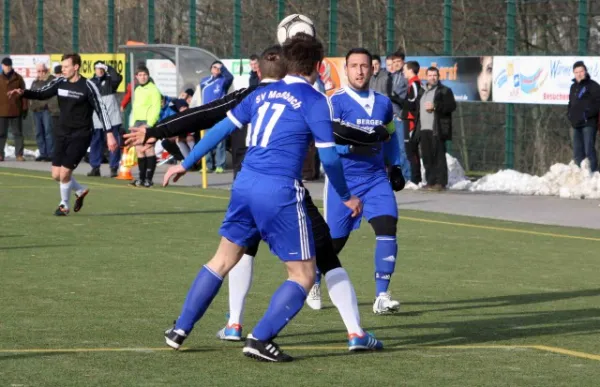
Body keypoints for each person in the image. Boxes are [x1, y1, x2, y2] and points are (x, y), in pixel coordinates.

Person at [154, 45, 386, 353]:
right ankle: (260, 337)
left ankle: (180, 329)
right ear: (318, 65)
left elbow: (219, 129)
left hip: (244, 184)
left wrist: (184, 164)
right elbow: (329, 159)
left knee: (222, 260)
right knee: (303, 275)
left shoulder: (259, 94)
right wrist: (346, 195)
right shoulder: (315, 101)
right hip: (279, 191)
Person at [310, 48, 404, 314]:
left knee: (388, 226)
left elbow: (391, 137)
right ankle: (314, 280)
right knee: (335, 243)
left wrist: (395, 165)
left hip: (375, 179)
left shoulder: (383, 103)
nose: (360, 71)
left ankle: (382, 296)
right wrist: (352, 148)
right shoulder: (334, 101)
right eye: (354, 66)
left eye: (365, 66)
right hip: (344, 181)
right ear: (346, 69)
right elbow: (326, 144)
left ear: (373, 69)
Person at [7, 53, 116, 215]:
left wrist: (109, 133)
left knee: (65, 173)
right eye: (62, 66)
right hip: (62, 132)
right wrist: (23, 93)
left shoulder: (88, 86)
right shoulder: (59, 82)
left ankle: (64, 205)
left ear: (76, 67)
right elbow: (41, 93)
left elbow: (102, 110)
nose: (62, 69)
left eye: (66, 67)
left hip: (81, 134)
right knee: (56, 175)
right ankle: (80, 190)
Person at [416, 66, 457, 190]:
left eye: (435, 75)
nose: (432, 78)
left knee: (438, 156)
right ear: (426, 76)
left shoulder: (444, 91)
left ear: (438, 77)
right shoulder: (422, 90)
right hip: (423, 129)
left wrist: (435, 106)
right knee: (427, 157)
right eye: (430, 75)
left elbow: (451, 106)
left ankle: (440, 182)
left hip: (436, 128)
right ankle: (430, 181)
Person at [87, 61, 123, 178]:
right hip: (97, 117)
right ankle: (95, 167)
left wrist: (108, 68)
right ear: (94, 70)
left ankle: (113, 167)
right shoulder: (90, 83)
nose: (100, 70)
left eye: (102, 68)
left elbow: (117, 77)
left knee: (113, 142)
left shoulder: (110, 81)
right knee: (96, 142)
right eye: (98, 68)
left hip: (112, 116)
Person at [130, 65, 162, 187]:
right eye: (140, 75)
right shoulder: (137, 89)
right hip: (137, 123)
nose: (143, 77)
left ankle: (149, 179)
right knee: (139, 150)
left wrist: (149, 123)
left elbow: (156, 108)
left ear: (148, 76)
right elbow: (135, 108)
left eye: (145, 75)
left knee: (148, 149)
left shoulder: (153, 89)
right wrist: (132, 124)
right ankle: (140, 179)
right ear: (136, 77)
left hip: (147, 123)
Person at [199, 61, 233, 173]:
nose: (217, 69)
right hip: (206, 115)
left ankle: (220, 165)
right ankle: (208, 165)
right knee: (206, 140)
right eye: (214, 67)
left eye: (219, 68)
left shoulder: (224, 80)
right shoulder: (204, 81)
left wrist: (222, 68)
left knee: (219, 142)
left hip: (219, 114)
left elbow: (230, 77)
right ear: (211, 69)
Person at [567, 60, 600, 172]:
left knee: (589, 150)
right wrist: (570, 114)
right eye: (576, 72)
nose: (579, 74)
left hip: (588, 123)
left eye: (581, 71)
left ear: (585, 71)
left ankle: (595, 174)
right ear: (573, 73)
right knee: (577, 152)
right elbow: (571, 103)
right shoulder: (573, 87)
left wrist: (587, 114)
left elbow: (598, 103)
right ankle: (580, 175)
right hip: (576, 124)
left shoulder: (593, 86)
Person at [0, 57, 27, 161]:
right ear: (2, 66)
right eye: (5, 65)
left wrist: (24, 108)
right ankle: (0, 154)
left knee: (18, 134)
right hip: (1, 111)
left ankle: (19, 155)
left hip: (16, 110)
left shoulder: (18, 78)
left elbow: (24, 94)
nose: (7, 67)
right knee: (1, 134)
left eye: (9, 65)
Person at [402, 61, 423, 184]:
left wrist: (398, 100)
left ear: (410, 70)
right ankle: (415, 178)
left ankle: (416, 179)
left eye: (405, 69)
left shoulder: (415, 84)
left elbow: (412, 104)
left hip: (411, 122)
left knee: (411, 150)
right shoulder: (411, 83)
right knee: (409, 150)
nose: (403, 72)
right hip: (407, 120)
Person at [30, 63, 56, 162]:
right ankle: (42, 153)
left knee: (48, 132)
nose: (41, 73)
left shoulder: (50, 81)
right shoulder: (35, 82)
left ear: (46, 71)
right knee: (38, 132)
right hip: (36, 110)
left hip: (46, 110)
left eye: (43, 71)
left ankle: (50, 153)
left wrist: (46, 105)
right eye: (39, 71)